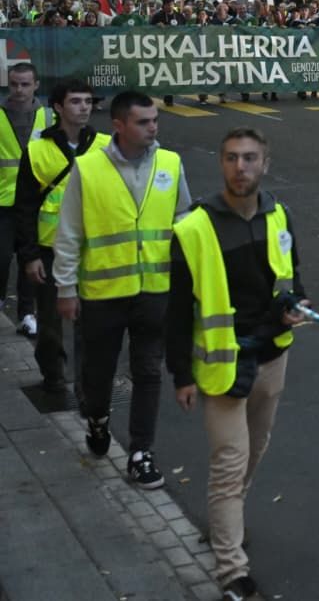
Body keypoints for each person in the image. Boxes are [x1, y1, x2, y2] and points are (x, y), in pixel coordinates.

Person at [167, 128, 308, 601]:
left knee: (255, 450)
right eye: (231, 158)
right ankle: (232, 570)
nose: (240, 167)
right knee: (230, 462)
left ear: (265, 163)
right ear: (221, 163)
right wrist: (181, 375)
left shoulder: (279, 214)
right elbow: (177, 310)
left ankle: (227, 522)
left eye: (250, 158)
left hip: (272, 357)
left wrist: (294, 305)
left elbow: (293, 280)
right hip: (221, 367)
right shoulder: (193, 228)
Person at [53, 90, 193, 486]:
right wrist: (66, 288)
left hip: (154, 291)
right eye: (144, 122)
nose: (154, 127)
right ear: (118, 126)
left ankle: (141, 452)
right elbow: (69, 232)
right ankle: (98, 420)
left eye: (155, 120)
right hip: (103, 294)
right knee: (98, 374)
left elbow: (183, 218)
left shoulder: (170, 162)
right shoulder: (88, 168)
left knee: (148, 371)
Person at [15, 78, 106, 396]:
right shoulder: (38, 150)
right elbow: (24, 208)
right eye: (76, 101)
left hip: (95, 249)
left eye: (88, 101)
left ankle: (86, 385)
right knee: (52, 326)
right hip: (51, 250)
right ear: (57, 107)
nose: (84, 107)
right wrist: (29, 256)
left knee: (91, 325)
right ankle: (53, 376)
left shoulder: (106, 145)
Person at [0, 61, 53, 338]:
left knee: (28, 260)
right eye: (14, 84)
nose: (19, 90)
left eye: (25, 84)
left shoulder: (47, 117)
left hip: (35, 202)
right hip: (3, 201)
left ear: (36, 86)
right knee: (1, 256)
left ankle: (26, 314)